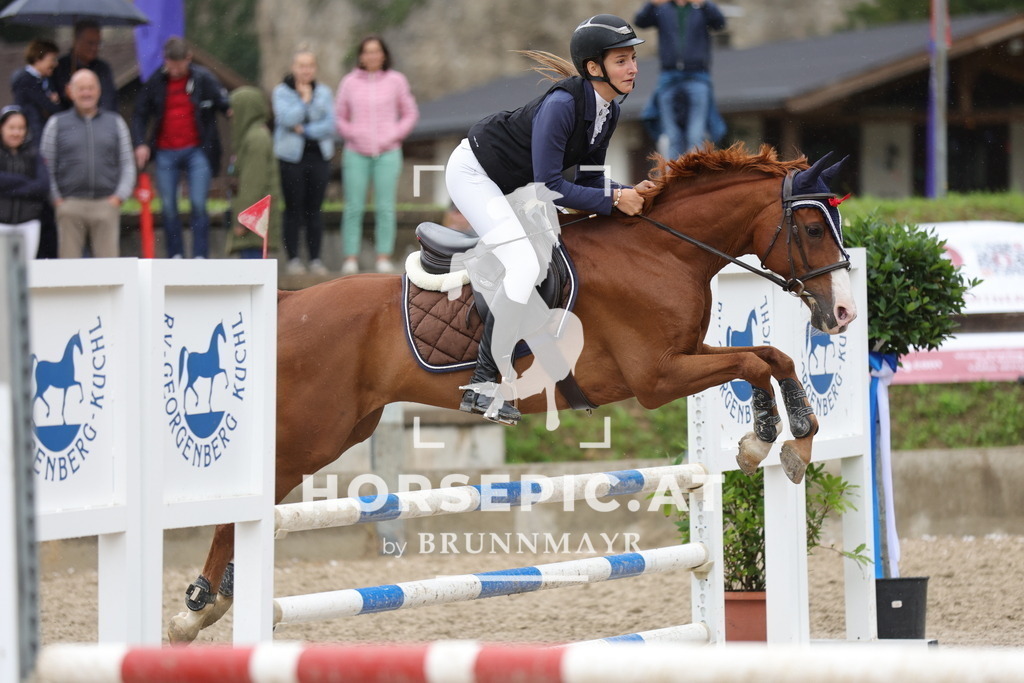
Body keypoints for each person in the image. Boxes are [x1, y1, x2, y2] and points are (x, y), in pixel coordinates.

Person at [445, 14, 653, 423]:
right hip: (476, 173)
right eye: (622, 60)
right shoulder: (562, 106)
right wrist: (616, 199)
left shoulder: (608, 112)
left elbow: (591, 178)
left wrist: (626, 192)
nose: (632, 68)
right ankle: (483, 383)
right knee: (523, 264)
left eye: (633, 59)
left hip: (517, 184)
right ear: (594, 68)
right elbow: (550, 188)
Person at [132, 37, 231, 259]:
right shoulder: (156, 81)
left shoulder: (203, 78)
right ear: (165, 60)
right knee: (168, 206)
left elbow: (225, 103)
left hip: (197, 149)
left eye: (180, 64)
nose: (175, 69)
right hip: (166, 151)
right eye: (171, 64)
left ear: (188, 59)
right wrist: (140, 144)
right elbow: (140, 113)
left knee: (198, 203)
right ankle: (175, 254)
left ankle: (200, 256)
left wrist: (233, 113)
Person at [334, 35, 418, 275]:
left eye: (376, 51)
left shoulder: (396, 81)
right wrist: (353, 133)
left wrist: (395, 134)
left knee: (385, 206)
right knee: (353, 206)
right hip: (356, 153)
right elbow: (339, 115)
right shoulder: (349, 82)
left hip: (388, 153)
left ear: (383, 54)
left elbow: (410, 113)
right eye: (367, 51)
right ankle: (349, 258)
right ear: (361, 56)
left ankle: (384, 256)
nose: (371, 56)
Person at [40, 70, 135, 258]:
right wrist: (57, 200)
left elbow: (127, 164)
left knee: (109, 272)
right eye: (81, 89)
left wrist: (118, 197)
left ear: (98, 91)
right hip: (70, 206)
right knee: (69, 270)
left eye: (90, 88)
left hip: (106, 205)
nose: (86, 93)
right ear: (71, 91)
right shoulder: (56, 123)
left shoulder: (115, 122)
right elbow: (46, 166)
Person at [634, 0, 726, 159]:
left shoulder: (700, 9)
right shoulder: (663, 9)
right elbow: (640, 21)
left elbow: (719, 23)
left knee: (696, 134)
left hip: (697, 75)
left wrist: (704, 4)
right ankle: (674, 177)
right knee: (672, 135)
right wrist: (652, 4)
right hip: (668, 76)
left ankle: (694, 175)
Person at [273, 47, 334, 275]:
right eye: (301, 65)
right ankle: (293, 258)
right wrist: (304, 102)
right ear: (293, 67)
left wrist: (304, 129)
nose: (305, 70)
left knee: (314, 209)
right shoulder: (281, 92)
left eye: (309, 65)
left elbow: (329, 125)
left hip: (319, 156)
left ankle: (316, 258)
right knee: (293, 208)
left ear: (315, 68)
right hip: (291, 158)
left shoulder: (325, 92)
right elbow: (285, 119)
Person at [11, 39, 61, 259]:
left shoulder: (44, 81)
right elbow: (48, 107)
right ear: (39, 57)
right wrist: (53, 101)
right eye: (51, 60)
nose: (54, 65)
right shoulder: (25, 79)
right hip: (36, 142)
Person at [226, 87, 280, 260]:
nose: (230, 113)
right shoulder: (254, 135)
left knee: (252, 278)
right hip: (255, 224)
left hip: (253, 227)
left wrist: (242, 220)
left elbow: (253, 184)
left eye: (234, 107)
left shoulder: (256, 139)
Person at [0, 106, 49, 263]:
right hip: (1, 223)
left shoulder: (34, 154)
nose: (16, 133)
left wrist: (8, 189)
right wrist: (25, 182)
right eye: (11, 128)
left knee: (25, 271)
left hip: (28, 223)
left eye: (21, 128)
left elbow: (43, 186)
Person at [51, 20, 118, 112]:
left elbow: (109, 101)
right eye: (90, 43)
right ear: (76, 41)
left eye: (98, 43)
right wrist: (66, 95)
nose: (94, 48)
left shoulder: (103, 68)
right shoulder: (59, 67)